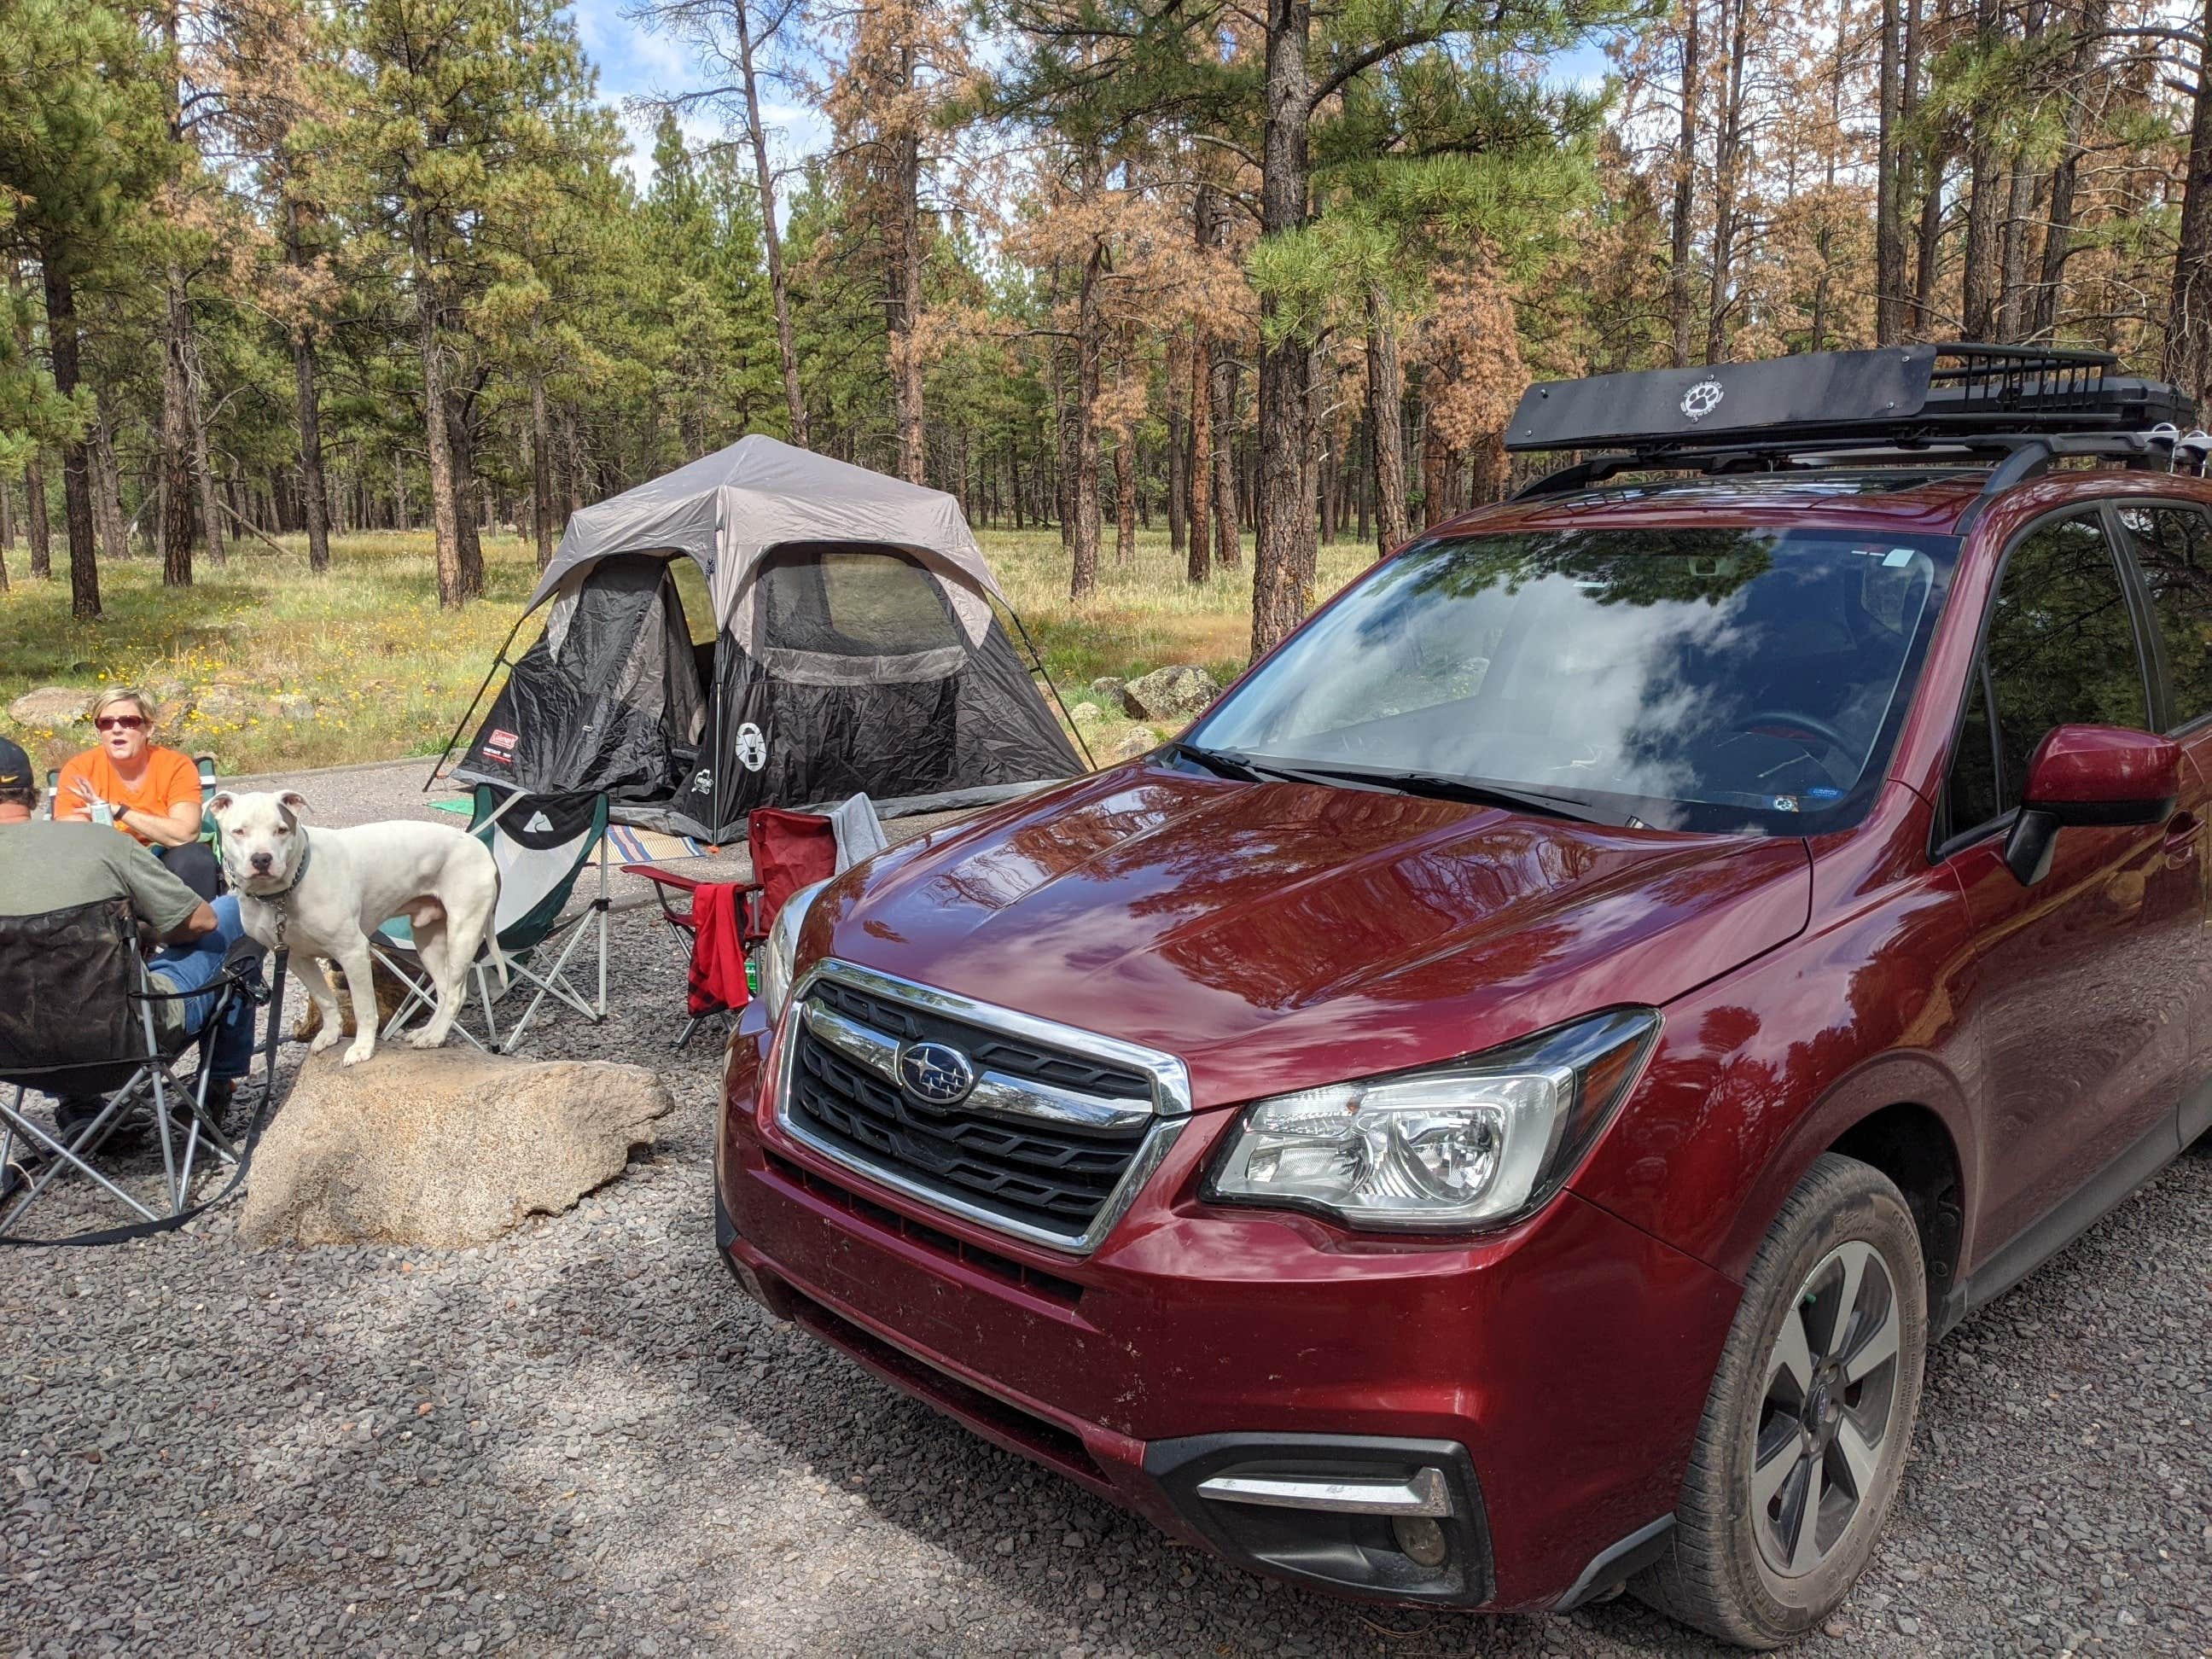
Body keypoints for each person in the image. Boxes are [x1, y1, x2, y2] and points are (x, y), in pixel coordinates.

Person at [0, 736, 259, 1144]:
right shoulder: (96, 842)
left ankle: (79, 1106)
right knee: (233, 913)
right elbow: (200, 921)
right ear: (31, 795)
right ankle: (214, 1088)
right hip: (130, 1041)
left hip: (13, 1057)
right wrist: (139, 931)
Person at [54, 687, 221, 900]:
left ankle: (194, 931)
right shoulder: (80, 770)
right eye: (106, 722)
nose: (116, 729)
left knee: (195, 858)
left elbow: (185, 833)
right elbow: (73, 839)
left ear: (149, 728)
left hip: (164, 861)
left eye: (128, 721)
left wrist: (118, 811)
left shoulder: (176, 766)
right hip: (106, 865)